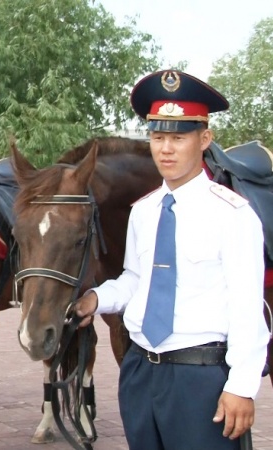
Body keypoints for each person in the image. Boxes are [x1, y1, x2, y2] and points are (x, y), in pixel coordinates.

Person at [75, 70, 269, 450]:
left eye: (178, 138)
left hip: (201, 378)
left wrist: (242, 386)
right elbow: (135, 278)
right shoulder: (144, 211)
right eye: (158, 136)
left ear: (205, 139)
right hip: (140, 371)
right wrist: (97, 298)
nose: (165, 149)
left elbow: (248, 306)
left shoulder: (233, 214)